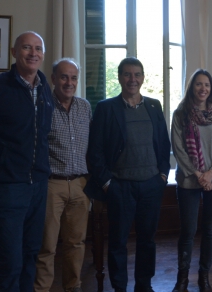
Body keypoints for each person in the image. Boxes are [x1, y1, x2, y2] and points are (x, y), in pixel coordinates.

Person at [0, 31, 53, 292]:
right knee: (10, 262)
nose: (33, 53)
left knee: (30, 255)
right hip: (7, 186)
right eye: (27, 47)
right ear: (14, 52)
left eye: (38, 48)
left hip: (38, 183)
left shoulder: (44, 86)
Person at [84, 57, 171, 292]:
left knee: (147, 241)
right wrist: (107, 183)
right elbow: (96, 150)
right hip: (120, 187)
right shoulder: (106, 107)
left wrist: (162, 175)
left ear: (143, 77)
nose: (133, 79)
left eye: (137, 74)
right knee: (118, 243)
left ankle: (144, 286)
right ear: (120, 77)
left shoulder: (154, 106)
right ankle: (119, 287)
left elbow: (163, 144)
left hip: (151, 185)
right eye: (127, 74)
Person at [170, 69, 212, 292]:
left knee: (210, 230)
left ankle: (204, 277)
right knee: (188, 231)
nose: (203, 88)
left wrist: (210, 174)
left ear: (211, 88)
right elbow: (178, 148)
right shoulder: (180, 115)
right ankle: (182, 279)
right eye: (198, 84)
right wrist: (198, 174)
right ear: (191, 88)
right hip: (189, 181)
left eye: (206, 84)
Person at [34, 58, 91, 292]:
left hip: (80, 184)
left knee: (76, 243)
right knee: (47, 246)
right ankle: (42, 289)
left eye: (74, 77)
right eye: (64, 77)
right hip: (52, 185)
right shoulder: (43, 105)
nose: (69, 82)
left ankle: (73, 286)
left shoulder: (85, 106)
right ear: (54, 79)